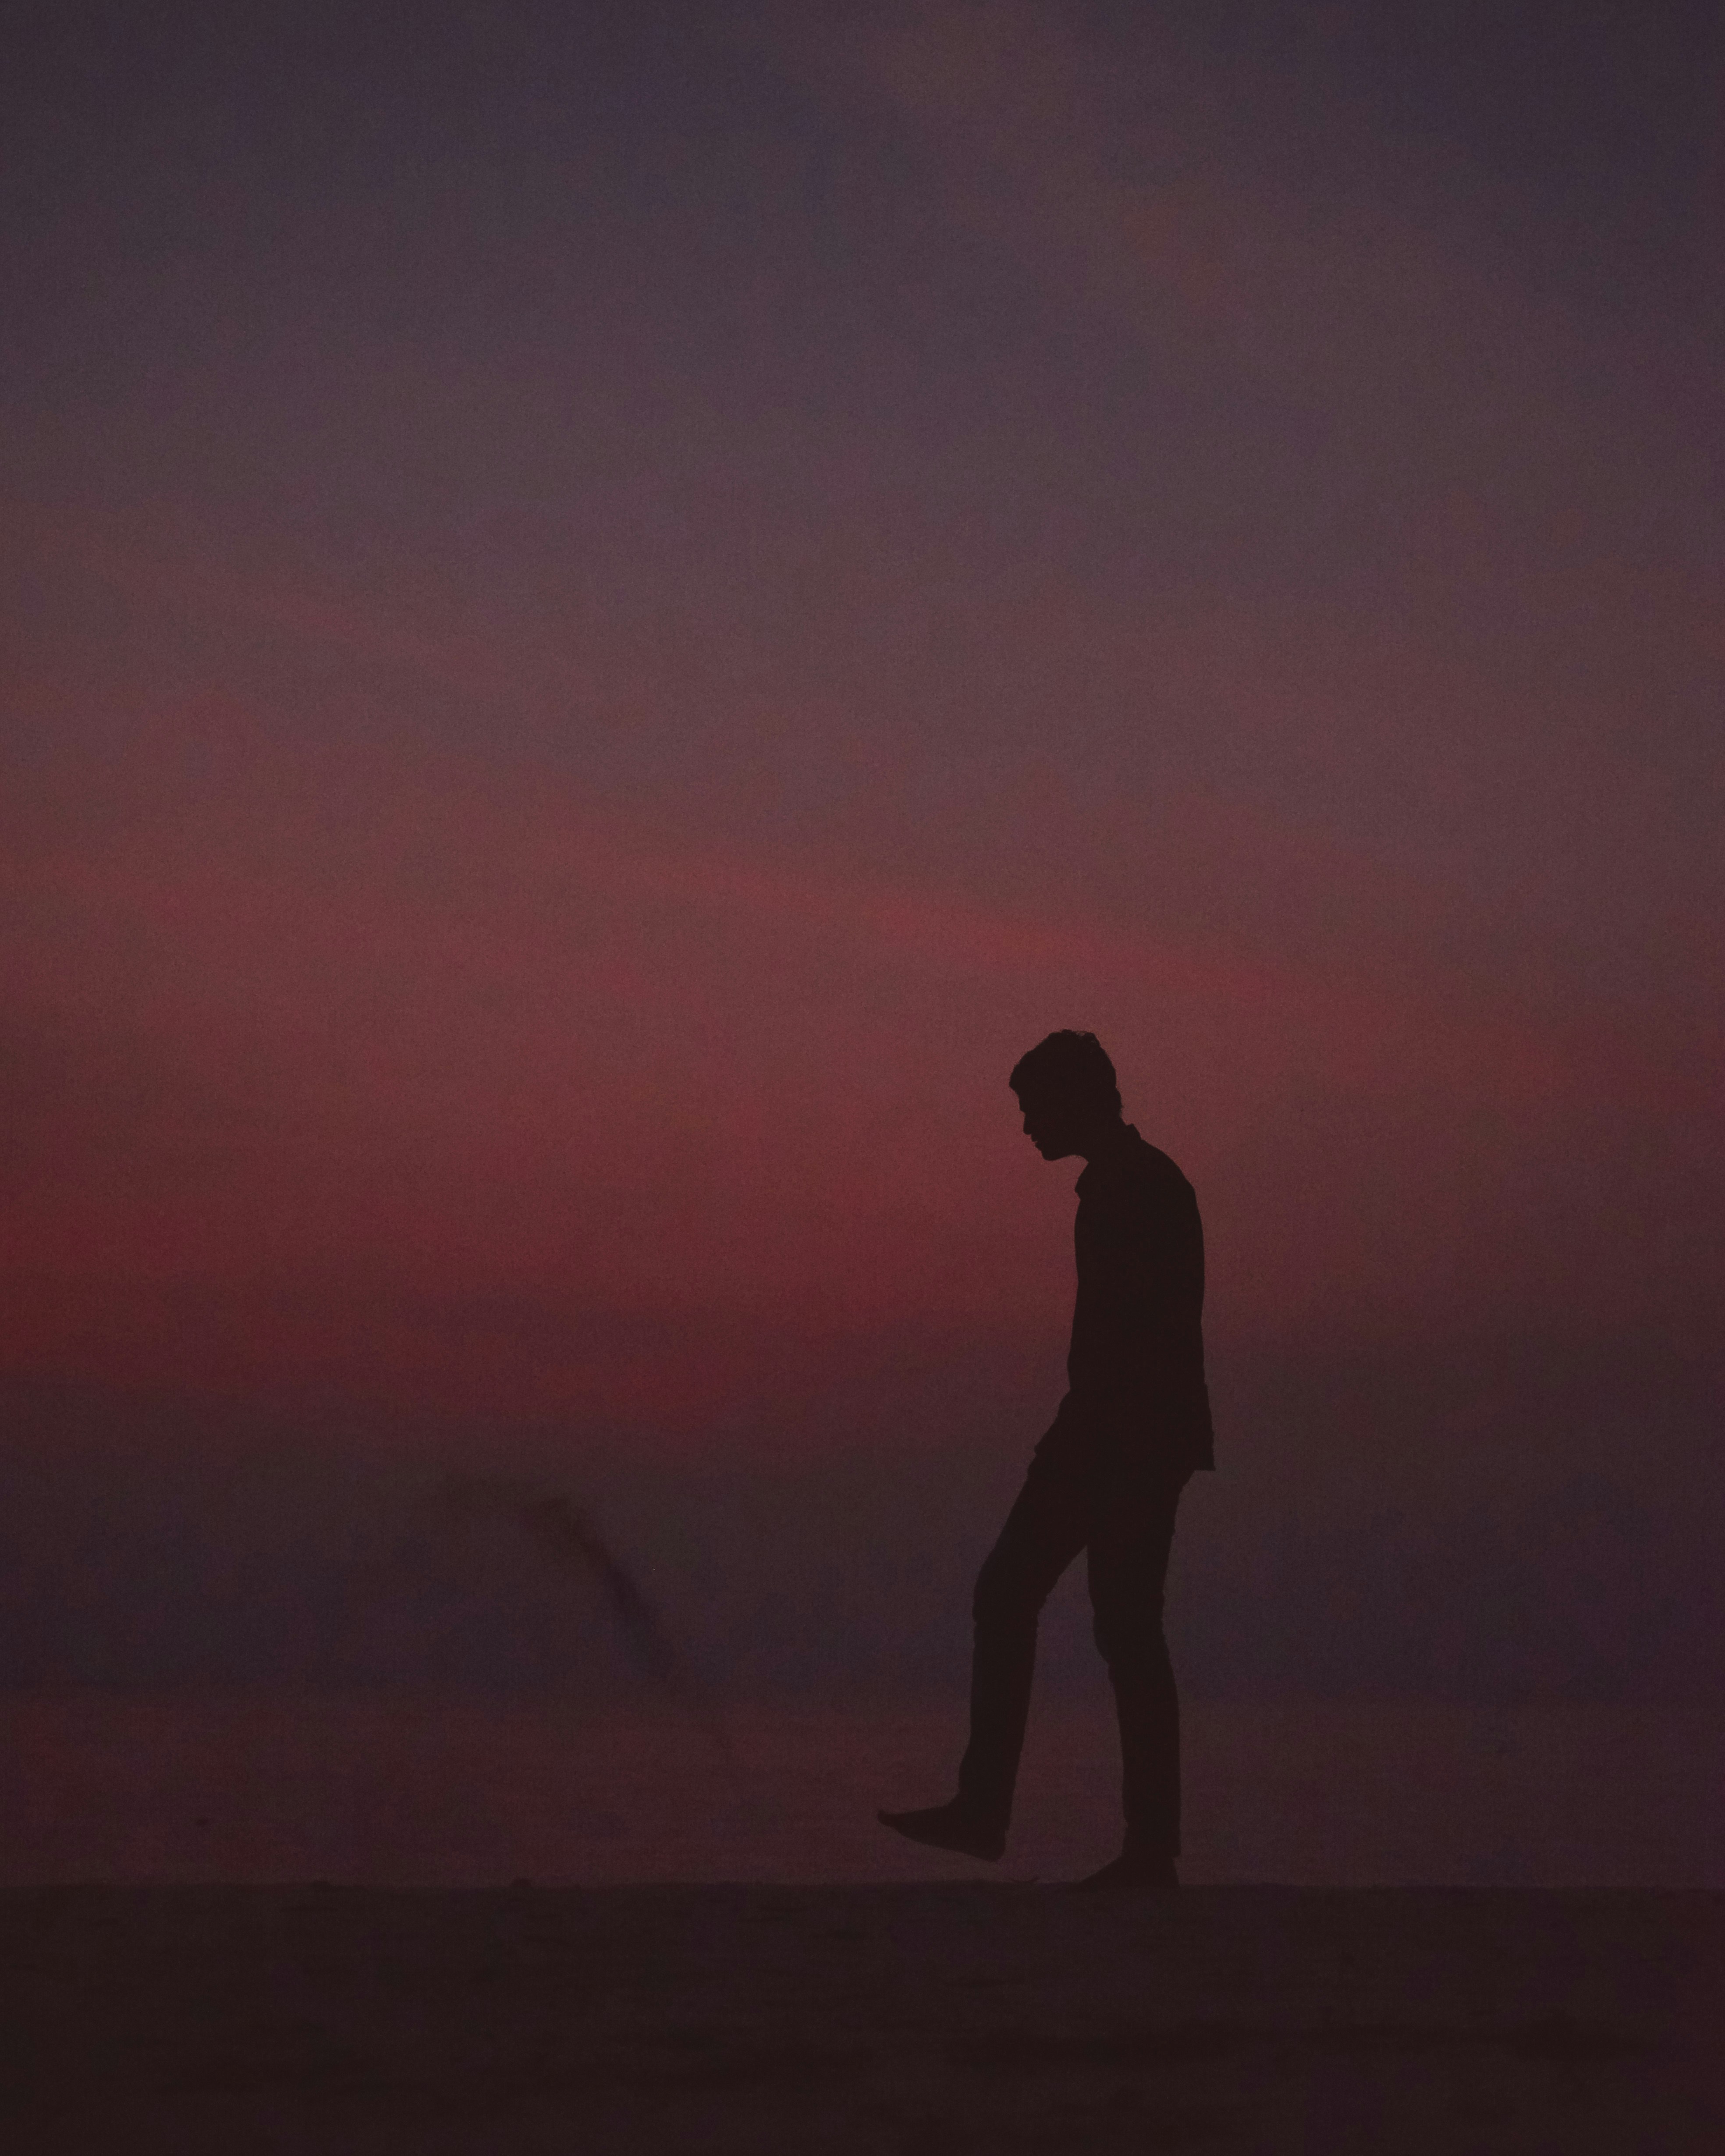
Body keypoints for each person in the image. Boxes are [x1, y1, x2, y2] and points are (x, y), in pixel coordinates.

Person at [880, 1030, 1214, 1890]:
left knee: (1045, 1605)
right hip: (1129, 1435)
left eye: (1034, 1108)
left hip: (1120, 1439)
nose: (1026, 1126)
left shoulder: (1133, 1189)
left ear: (1079, 1099)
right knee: (1113, 1626)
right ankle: (1127, 1843)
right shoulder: (1127, 1184)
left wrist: (1087, 1437)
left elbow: (1133, 1335)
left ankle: (1013, 1816)